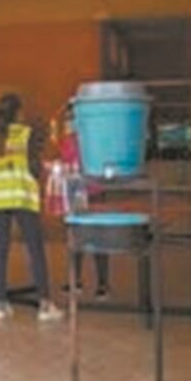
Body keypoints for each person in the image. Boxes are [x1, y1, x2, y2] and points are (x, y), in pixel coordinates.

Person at [0, 94, 63, 322]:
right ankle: (45, 305)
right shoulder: (25, 134)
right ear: (17, 112)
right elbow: (34, 167)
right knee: (35, 250)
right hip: (21, 197)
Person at [60, 107, 111, 300]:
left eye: (71, 118)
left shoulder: (93, 139)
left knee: (100, 239)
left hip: (94, 192)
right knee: (76, 238)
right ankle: (75, 280)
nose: (68, 123)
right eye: (67, 118)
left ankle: (103, 283)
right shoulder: (66, 142)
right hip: (76, 193)